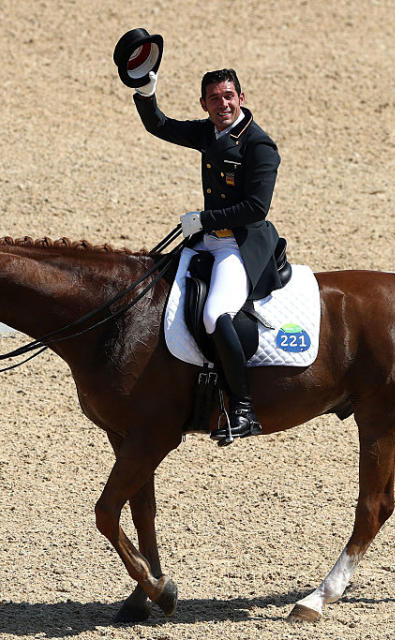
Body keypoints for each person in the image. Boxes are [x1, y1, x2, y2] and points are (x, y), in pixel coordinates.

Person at [131, 68, 282, 443]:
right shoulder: (208, 132)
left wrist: (204, 218)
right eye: (214, 98)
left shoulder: (259, 147)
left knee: (216, 314)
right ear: (204, 104)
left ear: (241, 98)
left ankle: (243, 407)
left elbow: (256, 208)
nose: (222, 104)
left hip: (240, 244)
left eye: (228, 96)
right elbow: (160, 126)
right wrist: (147, 93)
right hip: (206, 238)